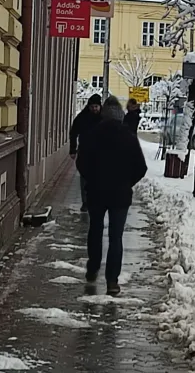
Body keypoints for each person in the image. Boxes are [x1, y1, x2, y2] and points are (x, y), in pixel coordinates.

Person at [76, 96, 147, 296]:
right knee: (116, 237)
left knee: (95, 230)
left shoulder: (93, 134)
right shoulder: (129, 136)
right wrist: (126, 182)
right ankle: (112, 281)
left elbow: (81, 162)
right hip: (120, 195)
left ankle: (92, 268)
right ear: (120, 115)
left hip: (96, 192)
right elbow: (141, 167)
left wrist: (92, 179)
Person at [69, 94, 102, 212]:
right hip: (85, 152)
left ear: (100, 106)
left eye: (96, 106)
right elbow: (73, 133)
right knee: (84, 178)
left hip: (100, 154)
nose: (94, 109)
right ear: (89, 106)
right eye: (92, 107)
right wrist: (73, 150)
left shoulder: (104, 118)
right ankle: (85, 202)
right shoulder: (82, 117)